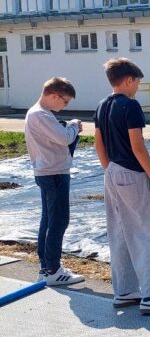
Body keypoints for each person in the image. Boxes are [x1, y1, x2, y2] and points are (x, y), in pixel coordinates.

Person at [94, 57, 150, 315]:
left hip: (112, 171)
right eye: (138, 82)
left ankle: (125, 291)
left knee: (121, 231)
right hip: (133, 174)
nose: (138, 87)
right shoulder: (130, 106)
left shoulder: (102, 105)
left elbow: (98, 143)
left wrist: (109, 169)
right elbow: (138, 146)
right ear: (129, 80)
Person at [24, 77, 86, 286]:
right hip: (54, 172)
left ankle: (46, 267)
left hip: (47, 171)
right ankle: (52, 269)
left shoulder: (38, 114)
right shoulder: (41, 115)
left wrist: (68, 128)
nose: (65, 105)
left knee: (49, 220)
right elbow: (64, 138)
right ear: (54, 95)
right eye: (65, 101)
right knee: (59, 220)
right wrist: (74, 126)